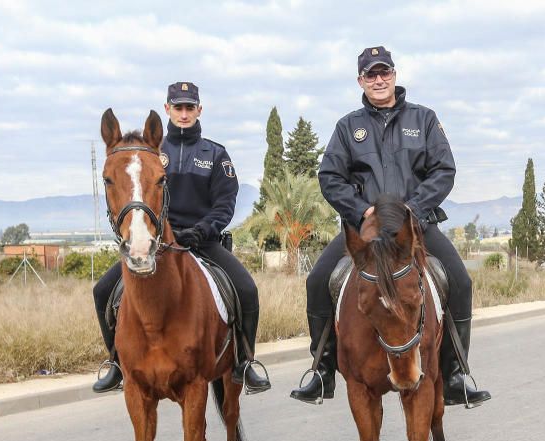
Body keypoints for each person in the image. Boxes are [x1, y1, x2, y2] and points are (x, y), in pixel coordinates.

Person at [290, 46, 490, 407]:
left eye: (384, 73)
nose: (379, 80)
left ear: (395, 76)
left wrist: (413, 209)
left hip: (414, 227)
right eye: (371, 74)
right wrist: (362, 210)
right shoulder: (347, 127)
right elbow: (330, 177)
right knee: (318, 280)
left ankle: (457, 372)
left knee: (460, 281)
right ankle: (321, 371)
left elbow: (443, 170)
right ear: (360, 81)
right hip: (367, 229)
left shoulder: (424, 119)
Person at [92, 81, 270, 394]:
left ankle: (245, 360)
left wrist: (201, 231)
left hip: (204, 241)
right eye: (178, 107)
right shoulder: (150, 154)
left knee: (246, 289)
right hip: (158, 242)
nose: (184, 113)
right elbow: (142, 196)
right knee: (102, 290)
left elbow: (225, 203)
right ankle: (117, 362)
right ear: (167, 110)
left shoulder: (215, 154)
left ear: (199, 110)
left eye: (190, 107)